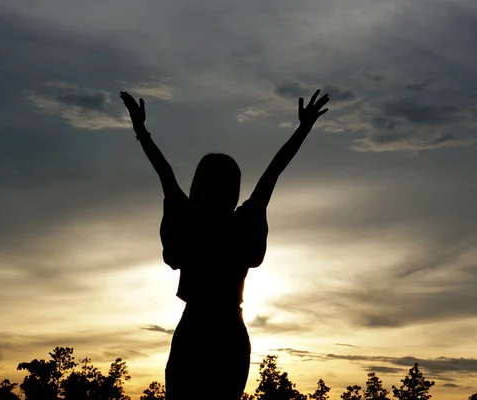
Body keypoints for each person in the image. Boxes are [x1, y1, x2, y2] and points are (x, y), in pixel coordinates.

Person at [120, 89, 330, 399]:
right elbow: (274, 171)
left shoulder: (192, 219)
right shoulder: (240, 221)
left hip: (196, 332)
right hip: (228, 334)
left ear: (199, 185)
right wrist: (303, 129)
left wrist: (141, 130)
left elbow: (163, 170)